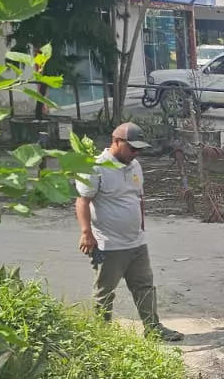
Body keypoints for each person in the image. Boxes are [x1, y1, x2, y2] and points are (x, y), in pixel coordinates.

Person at [75, 122, 183, 342]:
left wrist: (140, 225)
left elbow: (138, 197)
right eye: (132, 148)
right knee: (105, 292)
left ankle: (153, 328)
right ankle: (101, 335)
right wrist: (86, 233)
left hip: (136, 242)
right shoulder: (95, 167)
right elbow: (82, 201)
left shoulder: (134, 165)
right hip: (109, 244)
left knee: (144, 285)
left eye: (139, 149)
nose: (136, 153)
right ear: (116, 142)